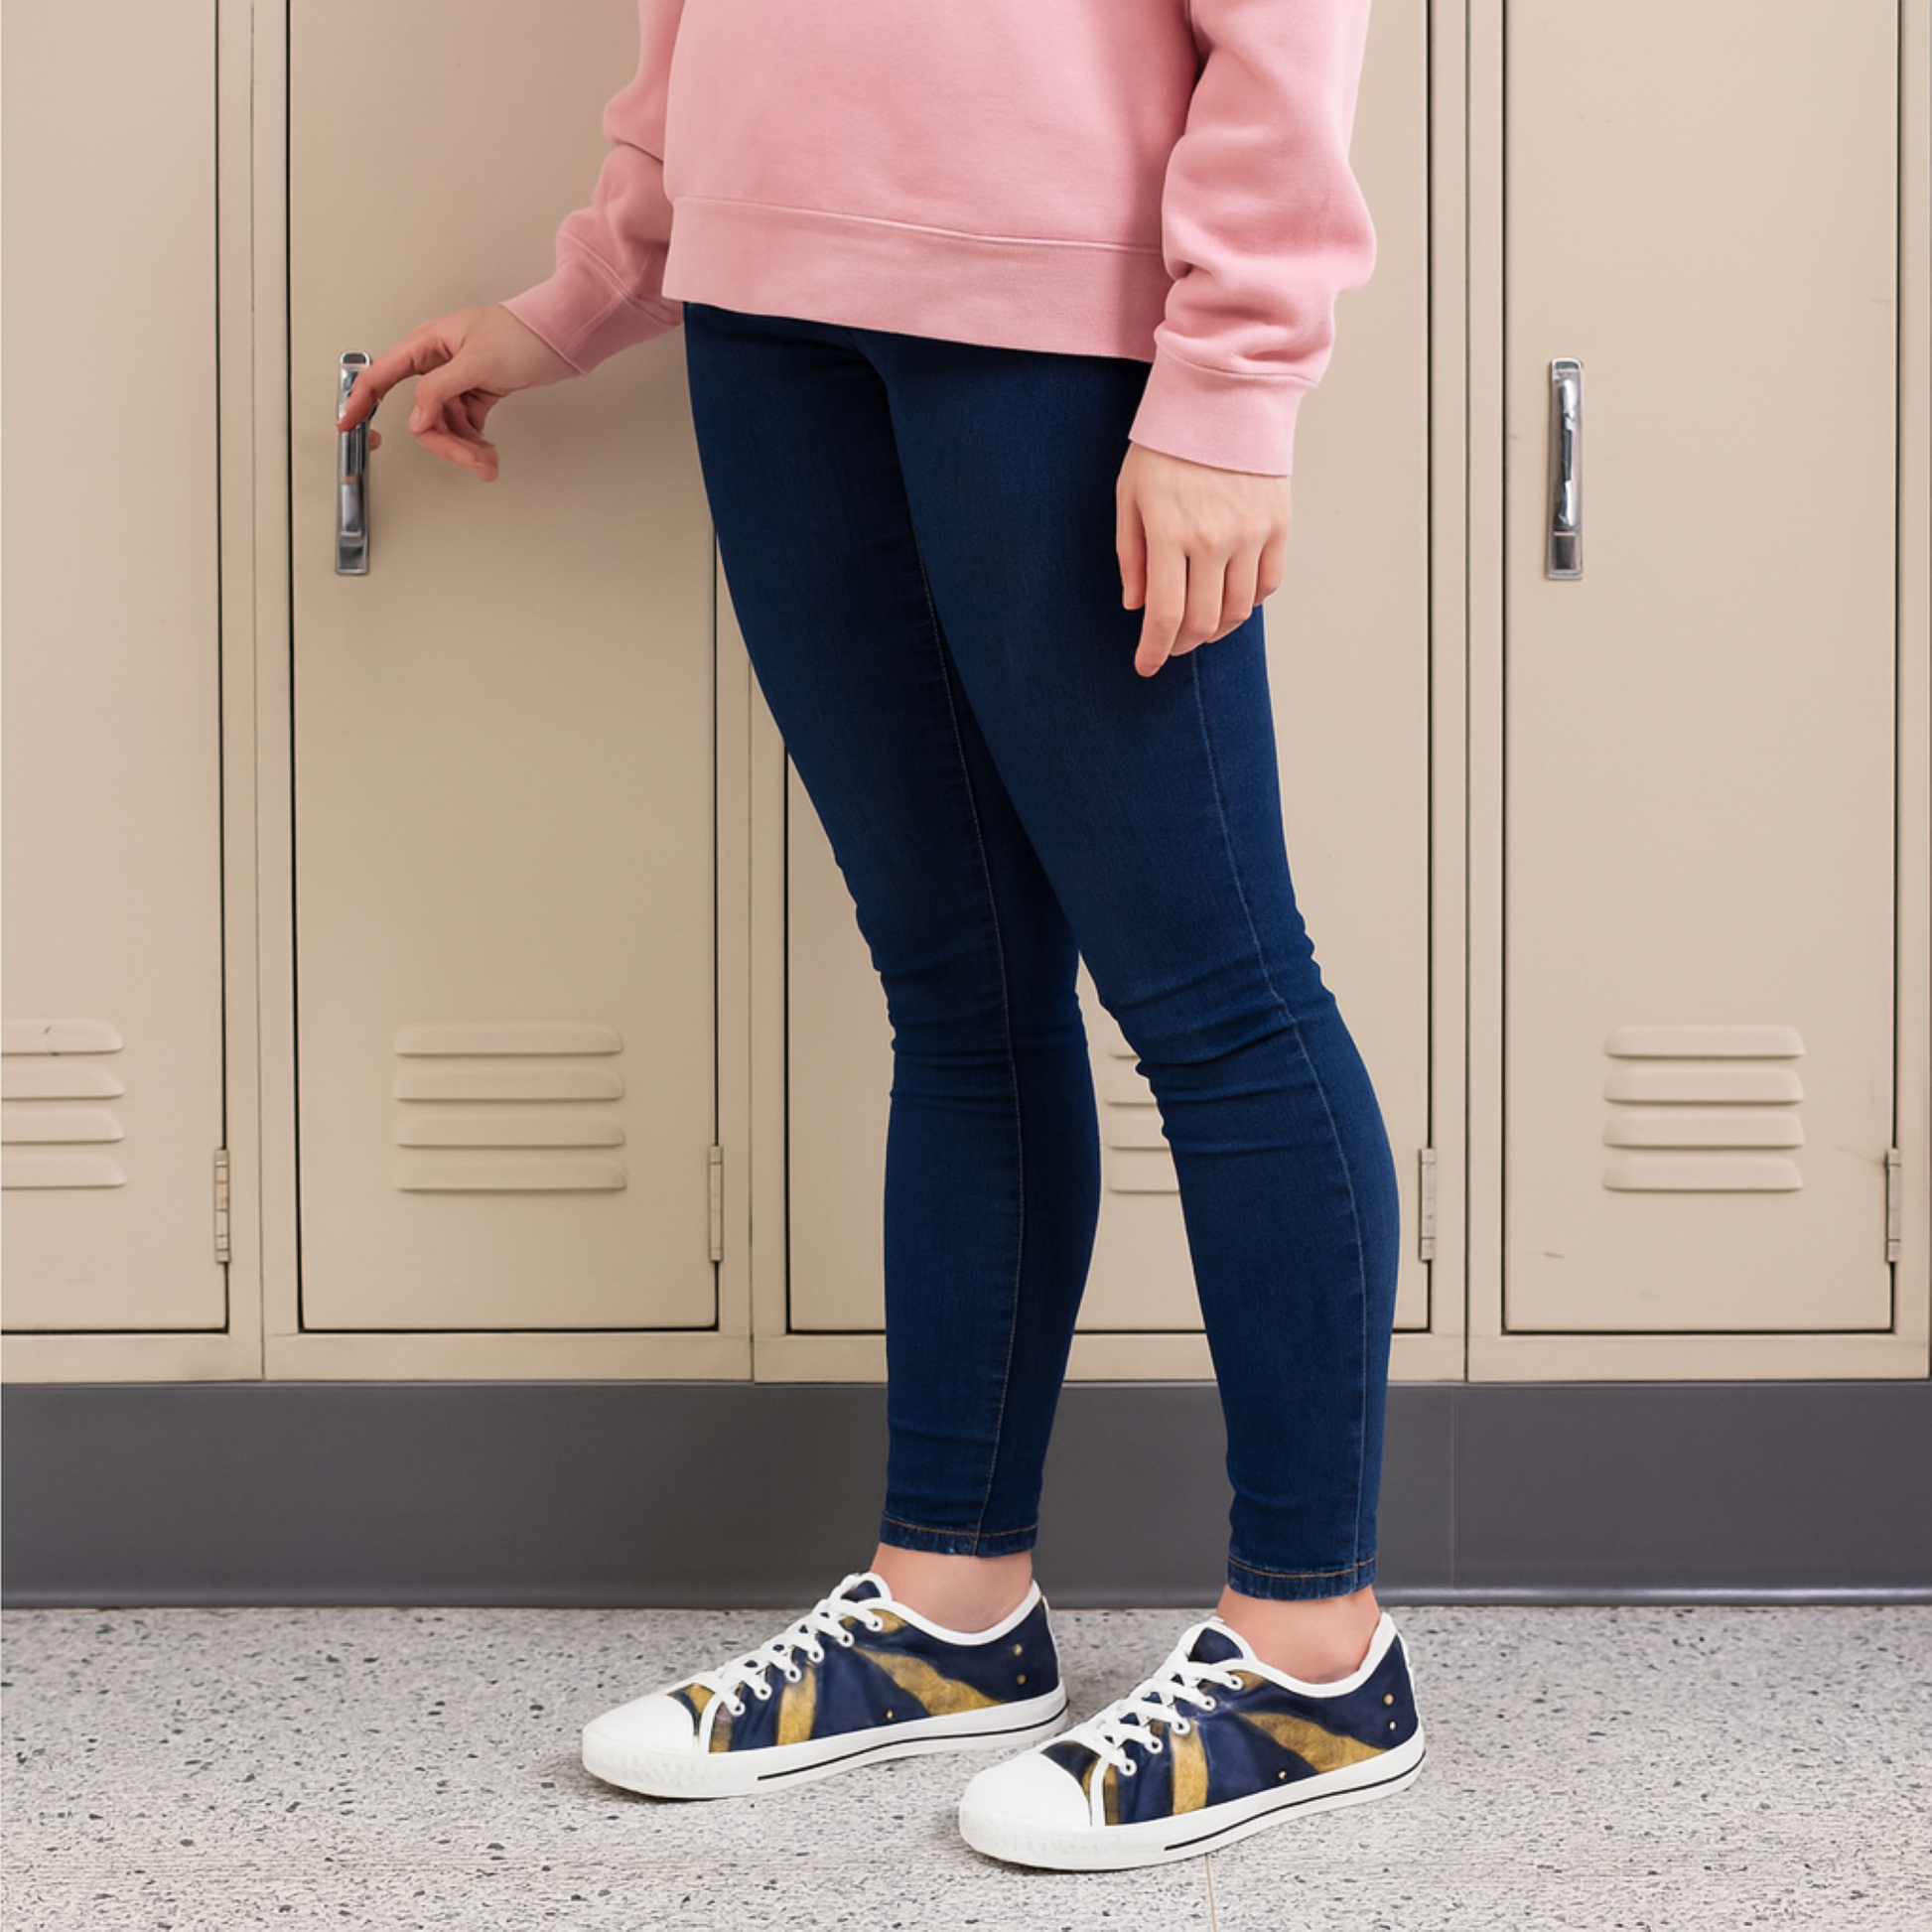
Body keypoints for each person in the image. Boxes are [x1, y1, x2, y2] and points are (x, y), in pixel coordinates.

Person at [340, 0, 1424, 1872]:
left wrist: (1231, 381)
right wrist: (586, 289)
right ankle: (949, 1610)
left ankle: (1314, 1652)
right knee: (957, 988)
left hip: (1056, 314)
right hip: (767, 315)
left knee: (1216, 992)